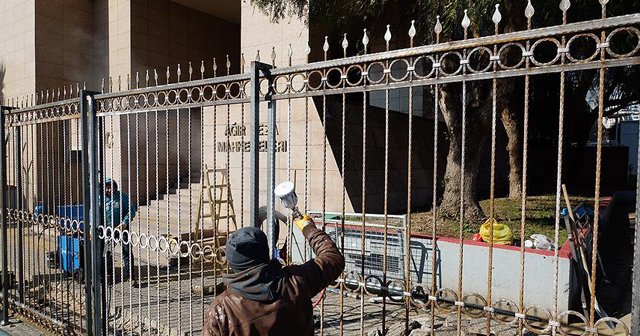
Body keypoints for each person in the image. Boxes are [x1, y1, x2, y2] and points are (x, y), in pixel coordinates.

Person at [204, 215, 345, 336]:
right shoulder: (297, 280)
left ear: (232, 262)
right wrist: (308, 228)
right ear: (266, 253)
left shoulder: (221, 309)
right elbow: (333, 258)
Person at [103, 178, 137, 283]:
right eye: (107, 188)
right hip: (108, 230)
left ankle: (130, 276)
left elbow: (131, 210)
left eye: (111, 188)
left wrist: (124, 222)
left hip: (122, 228)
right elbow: (93, 212)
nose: (109, 190)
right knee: (107, 252)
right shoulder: (101, 198)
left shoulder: (123, 197)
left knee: (127, 252)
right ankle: (109, 275)